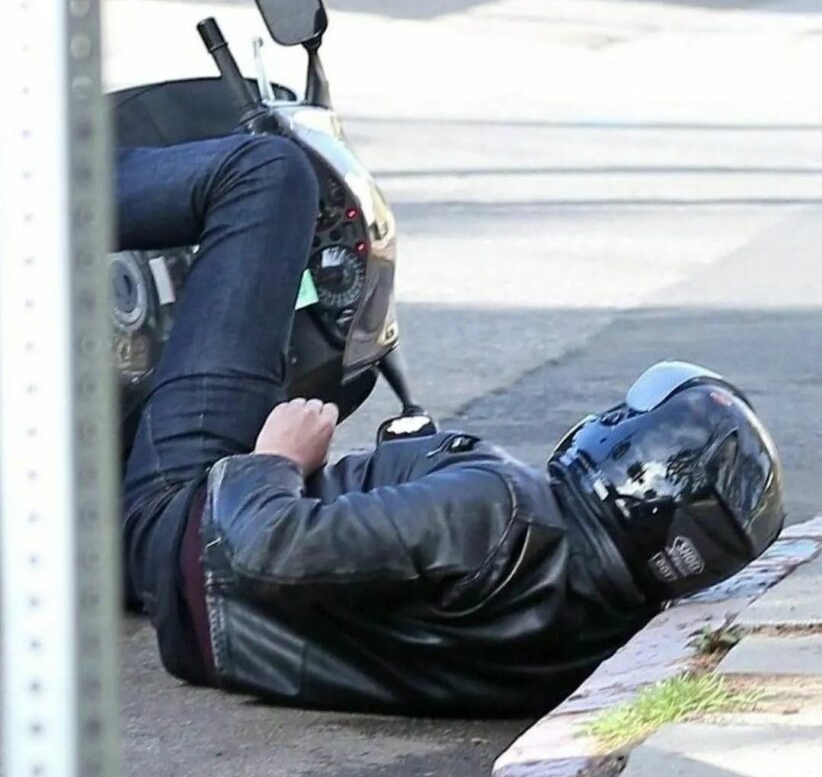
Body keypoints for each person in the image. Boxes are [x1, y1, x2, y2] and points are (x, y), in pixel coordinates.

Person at [119, 133, 785, 717]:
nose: (602, 420)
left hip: (188, 517)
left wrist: (277, 459)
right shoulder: (600, 627)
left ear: (634, 466)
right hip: (210, 615)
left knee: (267, 174)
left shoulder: (500, 514)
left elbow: (265, 545)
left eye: (620, 421)